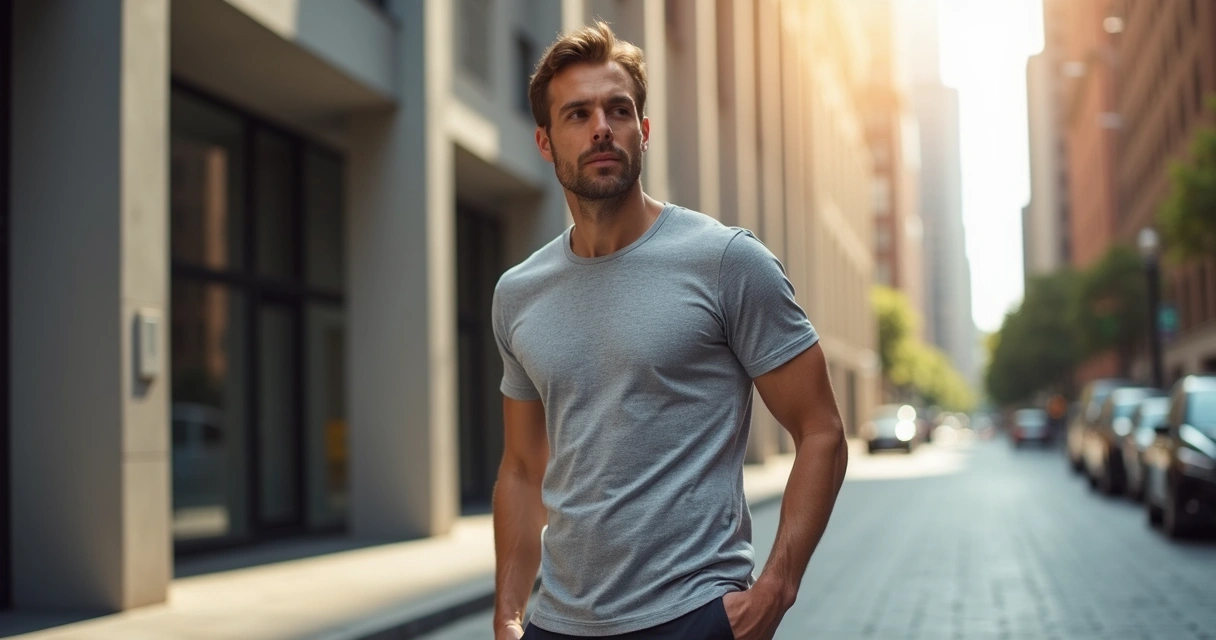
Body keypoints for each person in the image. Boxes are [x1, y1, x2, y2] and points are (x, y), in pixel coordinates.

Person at [492, 21, 848, 640]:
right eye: (577, 114)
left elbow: (821, 431)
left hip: (693, 617)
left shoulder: (727, 261)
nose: (601, 126)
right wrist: (507, 612)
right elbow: (522, 468)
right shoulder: (519, 293)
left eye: (618, 109)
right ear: (545, 143)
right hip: (557, 623)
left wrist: (774, 594)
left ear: (644, 131)